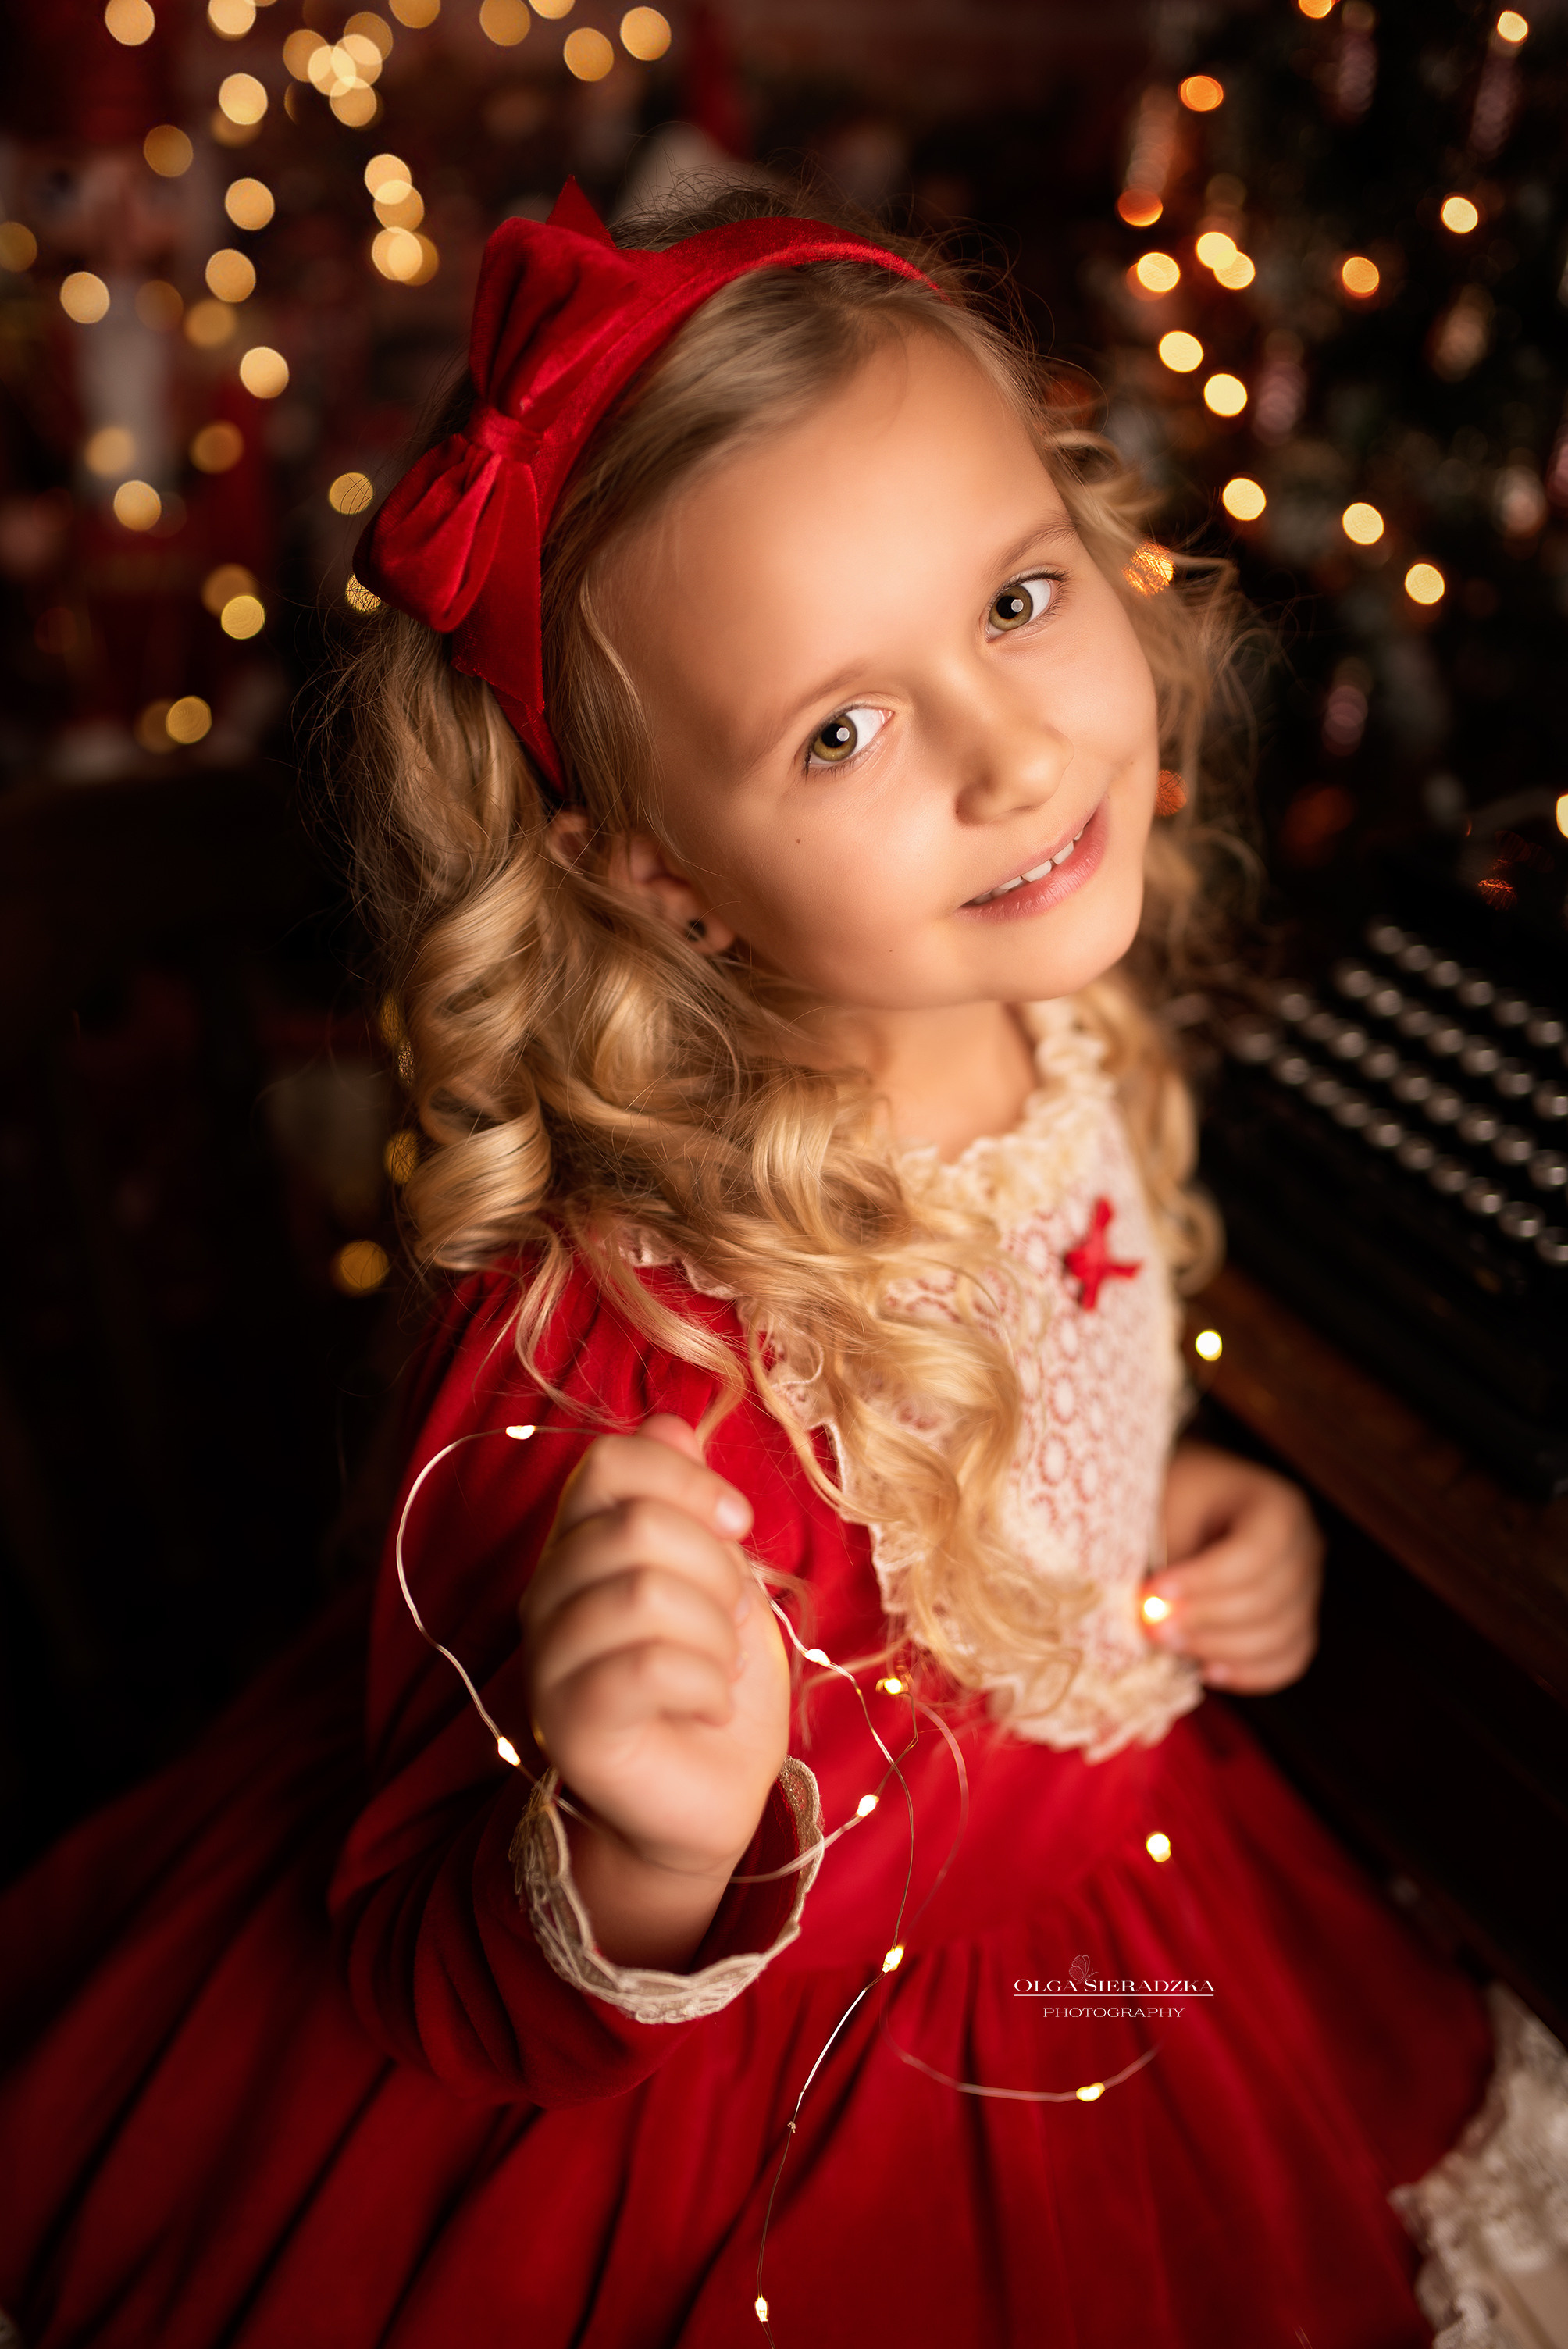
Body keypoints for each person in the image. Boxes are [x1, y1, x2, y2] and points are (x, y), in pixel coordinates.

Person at [2, 179, 1561, 2349]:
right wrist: (645, 1852)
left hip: (1135, 1894)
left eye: (1019, 599)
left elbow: (1048, 1441)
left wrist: (1171, 1531)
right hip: (799, 2080)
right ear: (656, 871)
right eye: (842, 728)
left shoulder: (1051, 1017)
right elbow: (430, 1952)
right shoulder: (621, 1351)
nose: (1015, 755)